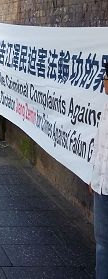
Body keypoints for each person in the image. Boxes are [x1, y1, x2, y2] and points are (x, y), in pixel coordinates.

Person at [92, 62, 108, 279]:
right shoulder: (105, 106)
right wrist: (94, 176)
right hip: (101, 185)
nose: (103, 82)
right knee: (102, 242)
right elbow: (99, 145)